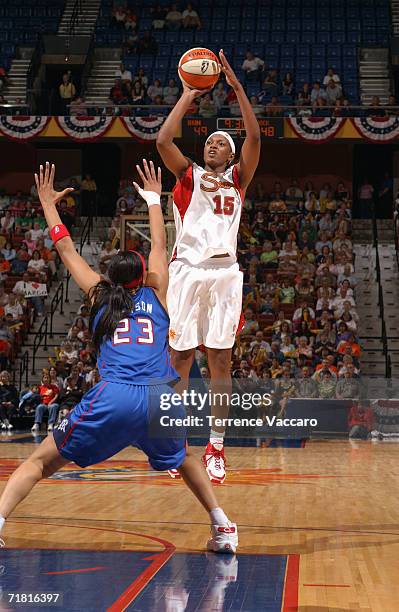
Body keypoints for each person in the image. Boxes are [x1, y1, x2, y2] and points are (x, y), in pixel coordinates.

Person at [0, 161, 238, 554]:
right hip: (162, 398)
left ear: (110, 277)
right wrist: (153, 200)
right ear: (142, 276)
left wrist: (48, 203)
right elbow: (162, 244)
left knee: (40, 463)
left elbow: (64, 246)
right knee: (185, 458)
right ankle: (223, 525)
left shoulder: (98, 295)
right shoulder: (158, 291)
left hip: (116, 396)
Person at [156, 50, 260, 484]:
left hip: (223, 273)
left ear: (230, 154)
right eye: (209, 141)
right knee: (178, 358)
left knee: (221, 361)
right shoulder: (188, 176)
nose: (212, 144)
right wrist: (188, 94)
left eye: (221, 142)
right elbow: (163, 141)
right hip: (186, 271)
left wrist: (236, 90)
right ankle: (175, 445)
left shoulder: (238, 178)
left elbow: (255, 138)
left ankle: (216, 445)